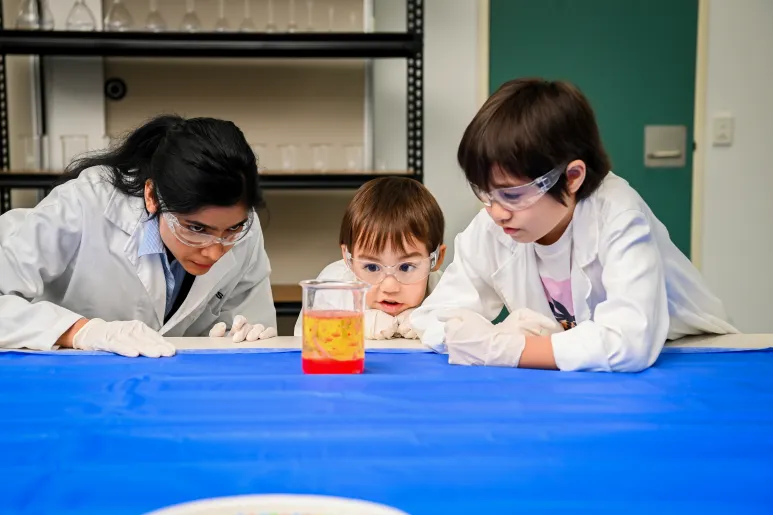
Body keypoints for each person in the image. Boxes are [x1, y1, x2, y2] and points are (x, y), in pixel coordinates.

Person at [411, 78, 738, 372]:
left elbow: (629, 341)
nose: (497, 212)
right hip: (577, 371)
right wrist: (487, 337)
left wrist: (506, 349)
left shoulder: (619, 215)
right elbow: (434, 316)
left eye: (512, 194)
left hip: (693, 359)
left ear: (572, 177)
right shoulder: (491, 227)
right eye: (484, 192)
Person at [0, 114, 277, 358]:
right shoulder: (85, 204)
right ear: (152, 196)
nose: (215, 251)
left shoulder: (243, 231)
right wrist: (82, 331)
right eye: (195, 229)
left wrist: (236, 340)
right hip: (56, 377)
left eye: (232, 229)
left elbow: (252, 323)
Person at [294, 177, 445, 339]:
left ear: (436, 259)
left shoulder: (446, 290)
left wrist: (432, 325)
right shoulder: (333, 287)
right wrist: (352, 326)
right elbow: (305, 339)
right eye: (372, 267)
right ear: (348, 259)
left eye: (406, 267)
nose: (389, 287)